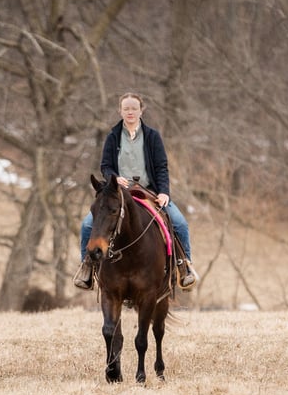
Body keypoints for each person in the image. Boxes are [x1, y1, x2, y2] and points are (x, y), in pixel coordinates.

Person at [73, 92, 198, 291]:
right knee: (87, 224)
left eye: (133, 108)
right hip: (119, 192)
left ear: (141, 110)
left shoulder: (152, 136)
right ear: (120, 111)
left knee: (180, 223)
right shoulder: (113, 136)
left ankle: (184, 267)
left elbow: (161, 166)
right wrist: (114, 177)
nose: (130, 112)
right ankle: (86, 267)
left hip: (150, 191)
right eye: (126, 108)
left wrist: (164, 192)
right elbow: (105, 166)